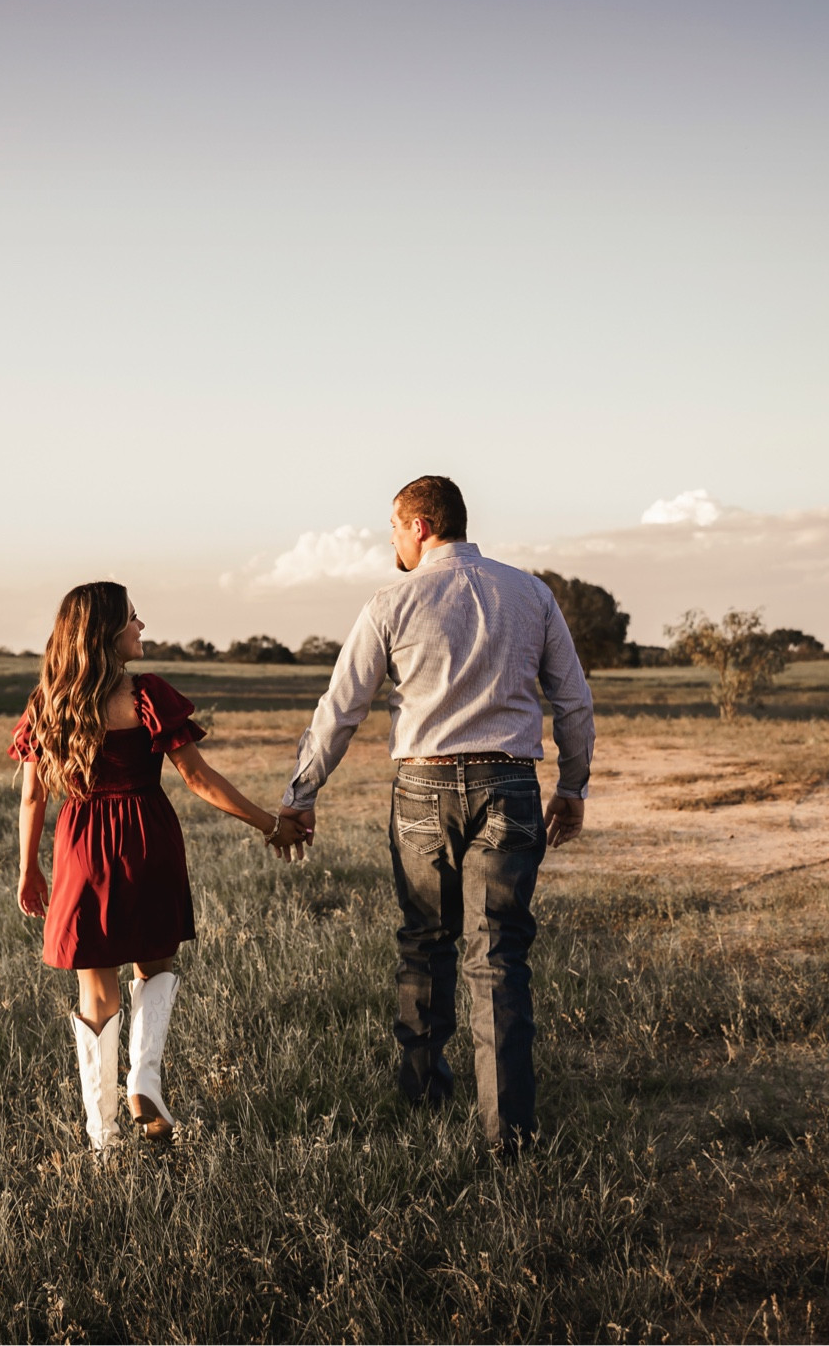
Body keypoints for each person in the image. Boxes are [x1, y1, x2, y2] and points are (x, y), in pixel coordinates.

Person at [275, 476, 594, 1150]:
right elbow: (573, 702)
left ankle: (423, 1093)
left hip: (422, 789)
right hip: (509, 784)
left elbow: (341, 709)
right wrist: (573, 787)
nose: (389, 539)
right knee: (498, 953)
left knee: (424, 939)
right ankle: (508, 1130)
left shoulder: (392, 601)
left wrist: (302, 796)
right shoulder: (531, 594)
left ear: (419, 524)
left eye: (393, 526)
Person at [11, 582, 307, 1150]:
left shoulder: (47, 701)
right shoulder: (146, 696)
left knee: (95, 992)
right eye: (132, 618)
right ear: (106, 632)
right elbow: (199, 779)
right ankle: (144, 1080)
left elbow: (32, 798)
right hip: (148, 839)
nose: (141, 626)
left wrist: (29, 869)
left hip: (81, 848)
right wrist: (269, 822)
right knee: (155, 965)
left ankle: (104, 1139)